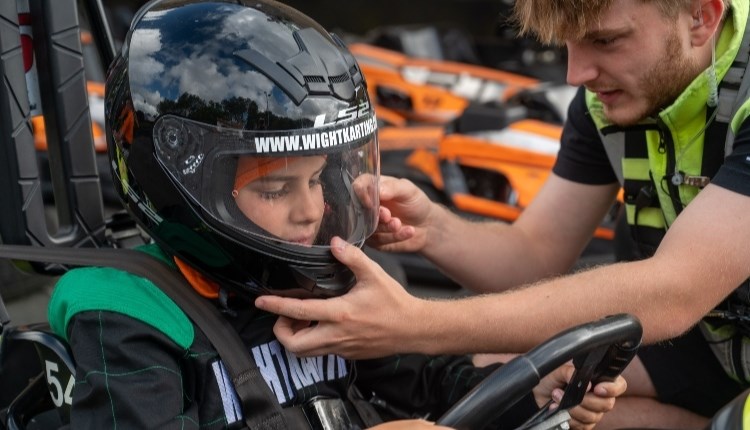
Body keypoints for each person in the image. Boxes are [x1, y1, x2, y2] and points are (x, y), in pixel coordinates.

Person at [46, 0, 625, 428]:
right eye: (275, 189)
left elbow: (429, 385)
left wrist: (535, 386)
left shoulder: (327, 284)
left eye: (320, 178)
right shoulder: (128, 316)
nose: (311, 210)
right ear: (182, 186)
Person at [254, 0, 750, 428]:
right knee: (520, 386)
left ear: (701, 18)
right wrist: (434, 229)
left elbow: (675, 290)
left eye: (606, 40)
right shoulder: (608, 100)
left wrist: (415, 324)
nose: (576, 74)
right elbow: (534, 255)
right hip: (715, 348)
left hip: (701, 331)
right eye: (569, 45)